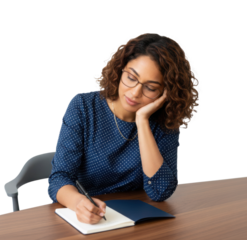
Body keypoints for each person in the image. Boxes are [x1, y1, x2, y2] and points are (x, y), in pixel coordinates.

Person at [47, 31, 200, 224]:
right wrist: (79, 203)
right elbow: (59, 178)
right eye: (131, 77)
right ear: (120, 69)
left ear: (165, 93)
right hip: (88, 219)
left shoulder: (164, 122)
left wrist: (142, 120)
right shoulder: (84, 107)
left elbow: (160, 191)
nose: (135, 93)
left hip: (135, 220)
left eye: (150, 88)